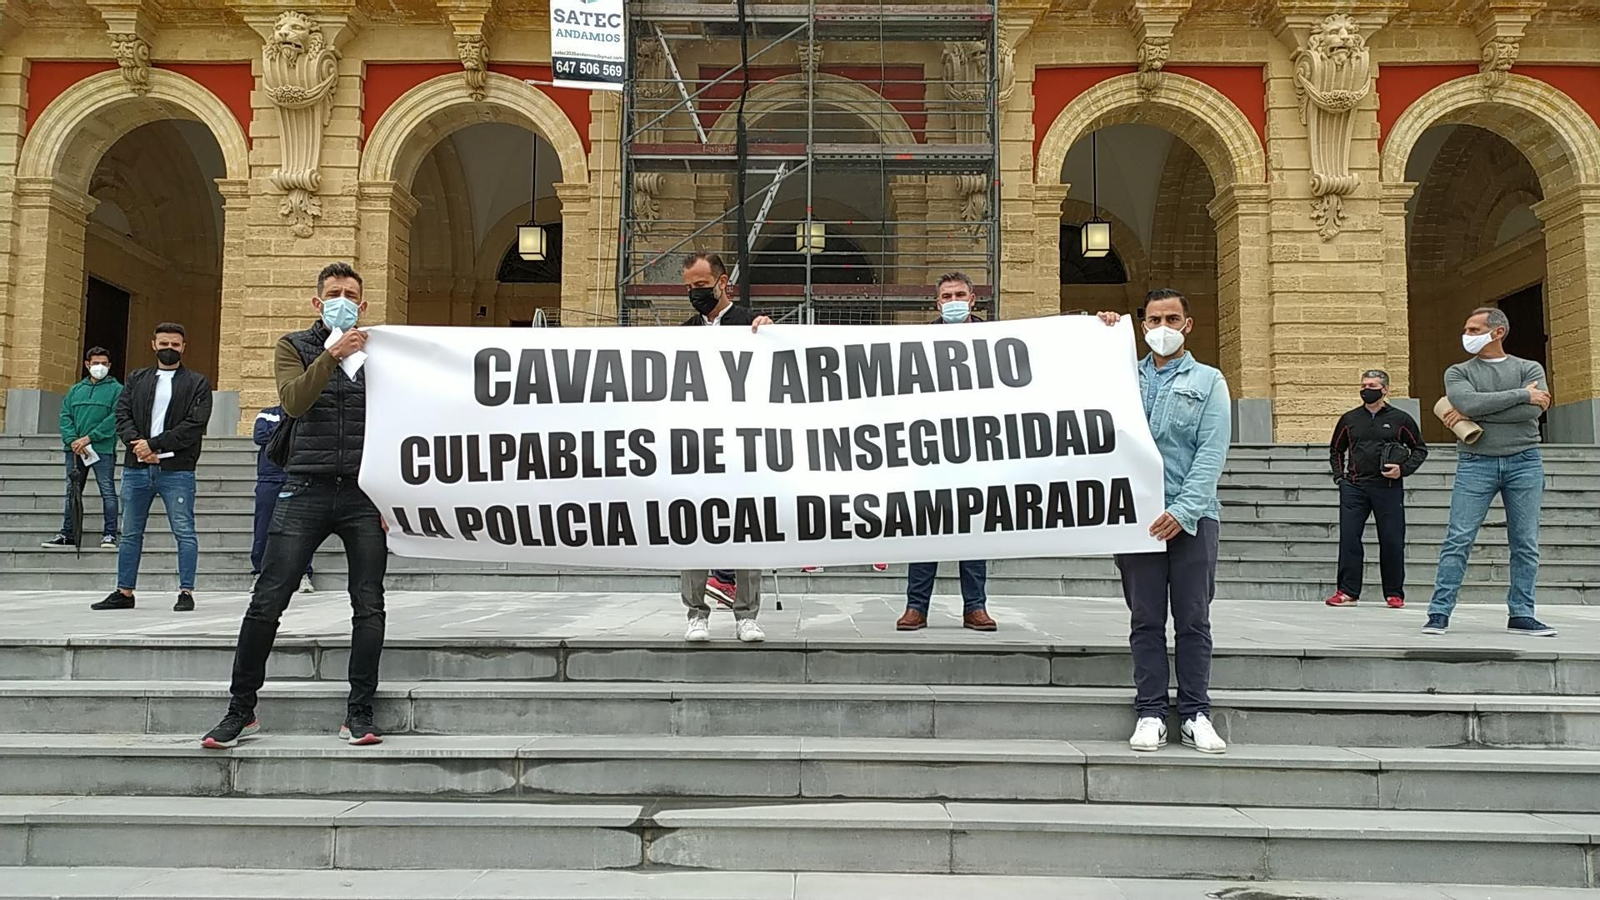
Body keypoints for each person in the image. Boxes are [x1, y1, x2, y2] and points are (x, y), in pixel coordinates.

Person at [202, 262, 388, 749]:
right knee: (267, 600)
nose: (342, 300)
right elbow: (294, 401)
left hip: (363, 494)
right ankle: (240, 709)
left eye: (350, 294)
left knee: (368, 604)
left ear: (363, 306)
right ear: (317, 302)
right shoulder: (294, 346)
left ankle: (360, 711)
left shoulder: (380, 353)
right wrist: (333, 354)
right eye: (334, 293)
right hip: (304, 486)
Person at [1098, 289, 1230, 755]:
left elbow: (1211, 453)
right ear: (1142, 325)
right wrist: (1100, 331)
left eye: (1172, 318)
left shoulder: (1210, 380)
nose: (1163, 328)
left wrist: (1184, 510)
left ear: (1187, 325)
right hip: (1136, 520)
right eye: (1153, 320)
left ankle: (1196, 712)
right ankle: (1150, 711)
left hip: (1193, 519)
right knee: (1146, 618)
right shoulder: (1119, 379)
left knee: (1193, 618)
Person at [1425, 307, 1554, 638]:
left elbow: (1530, 413)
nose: (1466, 334)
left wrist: (1484, 408)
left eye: (1473, 328)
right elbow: (1468, 405)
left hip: (1525, 461)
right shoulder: (1458, 372)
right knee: (1459, 537)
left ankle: (1522, 613)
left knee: (1525, 541)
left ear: (1497, 332)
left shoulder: (1529, 367)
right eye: (1466, 329)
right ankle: (1439, 612)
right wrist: (1522, 395)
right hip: (1475, 463)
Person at [897, 272, 996, 632]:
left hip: (977, 447)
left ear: (973, 300)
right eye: (946, 296)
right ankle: (916, 607)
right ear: (937, 303)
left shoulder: (995, 338)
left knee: (974, 528)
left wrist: (1101, 325)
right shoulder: (920, 341)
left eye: (959, 294)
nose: (953, 300)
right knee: (925, 529)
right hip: (930, 449)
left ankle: (975, 607)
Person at [680, 251, 770, 643]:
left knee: (746, 529)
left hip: (745, 446)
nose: (695, 294)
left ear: (722, 283)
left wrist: (770, 332)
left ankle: (746, 615)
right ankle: (695, 613)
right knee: (693, 527)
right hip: (697, 446)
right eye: (689, 288)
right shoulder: (683, 333)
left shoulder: (752, 324)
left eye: (701, 286)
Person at [91, 324, 211, 612]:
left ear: (184, 347)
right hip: (137, 467)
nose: (170, 348)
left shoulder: (197, 382)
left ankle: (186, 591)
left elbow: (195, 424)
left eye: (176, 344)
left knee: (184, 531)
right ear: (153, 345)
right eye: (164, 343)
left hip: (177, 468)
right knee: (130, 531)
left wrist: (154, 445)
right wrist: (138, 446)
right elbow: (122, 414)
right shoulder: (137, 379)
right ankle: (124, 591)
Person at [1325, 369, 1428, 610]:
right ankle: (1347, 592)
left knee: (1392, 540)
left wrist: (1403, 470)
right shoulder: (1349, 419)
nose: (1366, 389)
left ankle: (1394, 593)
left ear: (1385, 389)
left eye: (1372, 385)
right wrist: (1340, 478)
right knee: (1349, 539)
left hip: (1388, 488)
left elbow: (1420, 449)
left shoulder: (1401, 419)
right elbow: (1336, 449)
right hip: (1355, 487)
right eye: (1363, 385)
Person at [44, 347, 122, 551]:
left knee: (107, 491)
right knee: (72, 491)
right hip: (75, 450)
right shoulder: (75, 390)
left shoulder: (117, 390)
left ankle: (110, 534)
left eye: (104, 364)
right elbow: (65, 416)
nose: (100, 367)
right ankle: (67, 533)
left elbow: (115, 418)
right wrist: (73, 441)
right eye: (96, 363)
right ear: (87, 364)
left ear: (110, 366)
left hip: (102, 449)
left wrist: (90, 438)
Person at [251, 404, 314, 594]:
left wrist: (279, 436)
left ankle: (303, 574)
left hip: (298, 475)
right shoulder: (267, 414)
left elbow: (309, 439)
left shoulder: (307, 412)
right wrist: (291, 435)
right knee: (263, 527)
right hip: (269, 478)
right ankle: (259, 573)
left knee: (303, 528)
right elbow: (259, 436)